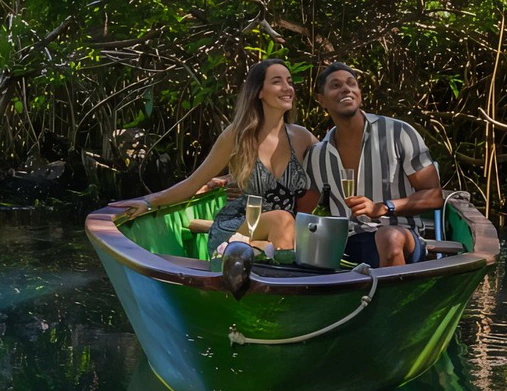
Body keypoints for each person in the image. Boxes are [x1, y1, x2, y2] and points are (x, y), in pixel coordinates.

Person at [109, 60, 319, 257]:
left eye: (289, 82)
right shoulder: (237, 136)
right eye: (277, 82)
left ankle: (268, 261)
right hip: (237, 227)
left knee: (285, 226)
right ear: (259, 92)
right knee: (282, 219)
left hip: (282, 234)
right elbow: (193, 183)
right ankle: (269, 264)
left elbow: (332, 164)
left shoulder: (302, 137)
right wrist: (149, 202)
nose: (287, 88)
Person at [304, 62, 444, 267]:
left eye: (351, 83)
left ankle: (394, 289)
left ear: (359, 93)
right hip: (344, 245)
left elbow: (434, 196)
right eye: (336, 85)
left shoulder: (398, 133)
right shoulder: (316, 155)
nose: (346, 89)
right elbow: (308, 214)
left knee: (388, 237)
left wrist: (384, 207)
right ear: (321, 100)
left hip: (399, 236)